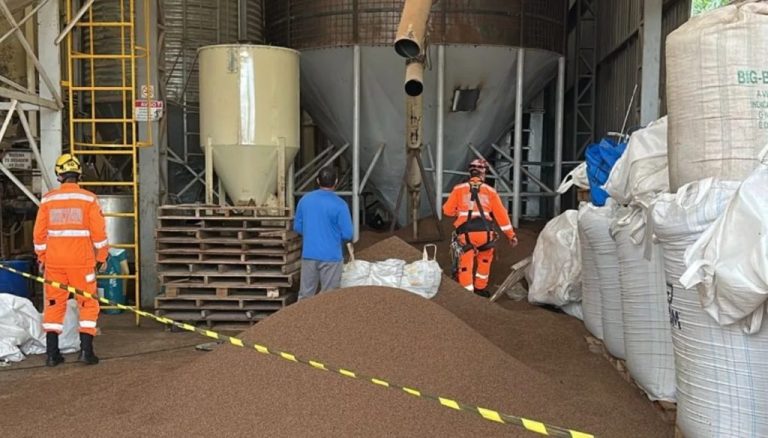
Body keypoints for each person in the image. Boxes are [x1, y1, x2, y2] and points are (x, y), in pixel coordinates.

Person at [33, 153, 109, 366]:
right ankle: (86, 352)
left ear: (59, 175)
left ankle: (51, 354)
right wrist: (102, 256)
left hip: (55, 263)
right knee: (87, 303)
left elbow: (39, 234)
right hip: (81, 262)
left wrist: (43, 257)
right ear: (78, 174)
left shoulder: (48, 200)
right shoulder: (88, 199)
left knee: (54, 304)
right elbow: (99, 232)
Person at [442, 158, 518, 297]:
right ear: (484, 172)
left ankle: (467, 293)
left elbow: (447, 210)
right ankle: (480, 289)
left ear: (470, 172)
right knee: (484, 260)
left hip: (466, 234)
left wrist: (459, 212)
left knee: (465, 263)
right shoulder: (490, 191)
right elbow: (502, 216)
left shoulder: (458, 189)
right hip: (486, 234)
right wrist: (511, 235)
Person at [294, 166, 353, 300]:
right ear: (336, 182)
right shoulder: (340, 205)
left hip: (309, 254)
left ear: (317, 181)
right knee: (329, 299)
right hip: (331, 257)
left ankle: (302, 320)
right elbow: (347, 234)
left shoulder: (305, 200)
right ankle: (326, 321)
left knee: (305, 296)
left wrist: (312, 233)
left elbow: (297, 227)